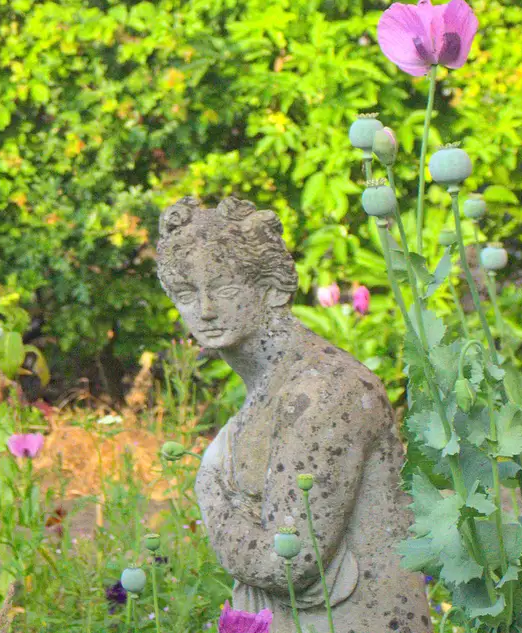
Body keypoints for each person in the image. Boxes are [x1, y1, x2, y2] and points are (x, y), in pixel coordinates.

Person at [155, 196, 430, 633]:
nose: (204, 310)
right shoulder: (270, 386)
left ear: (274, 288)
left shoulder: (324, 391)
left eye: (225, 289)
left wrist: (209, 490)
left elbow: (288, 562)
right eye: (187, 294)